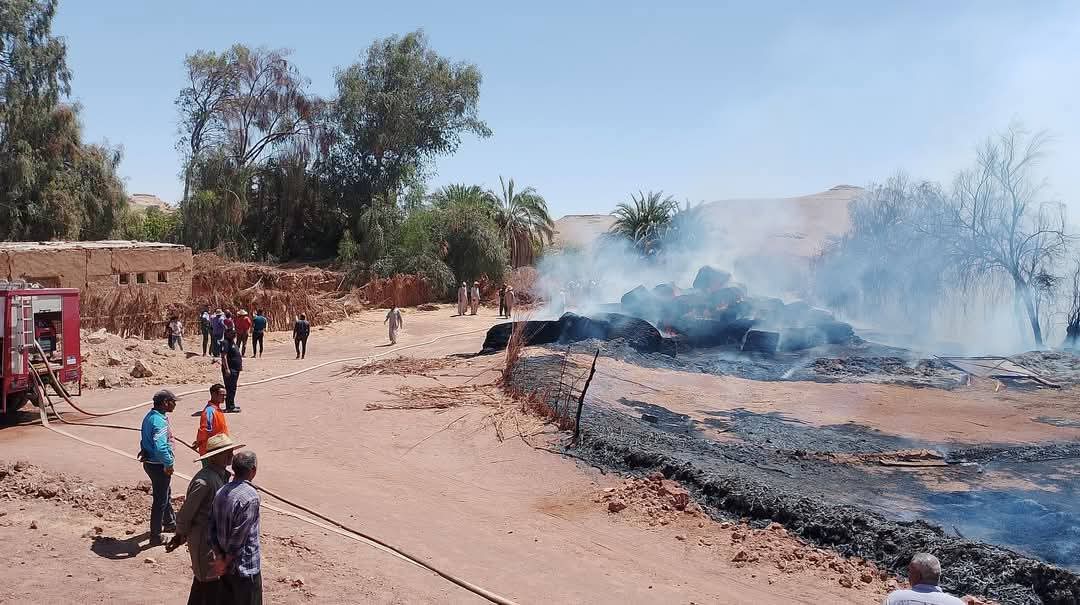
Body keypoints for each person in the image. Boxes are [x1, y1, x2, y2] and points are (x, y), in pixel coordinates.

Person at [167, 433, 244, 605]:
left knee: (205, 585)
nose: (231, 455)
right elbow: (186, 514)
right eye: (227, 452)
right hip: (204, 542)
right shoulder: (204, 481)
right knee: (208, 584)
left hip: (215, 541)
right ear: (215, 456)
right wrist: (180, 534)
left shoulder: (221, 476)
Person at [210, 450, 263, 604]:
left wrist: (220, 557)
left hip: (226, 569)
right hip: (245, 568)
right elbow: (239, 537)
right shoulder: (251, 497)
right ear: (253, 470)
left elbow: (211, 527)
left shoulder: (221, 491)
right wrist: (225, 561)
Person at [139, 389, 178, 545]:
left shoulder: (150, 417)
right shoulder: (159, 421)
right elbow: (161, 447)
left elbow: (145, 438)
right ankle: (155, 536)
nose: (174, 404)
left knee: (165, 492)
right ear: (165, 403)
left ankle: (169, 522)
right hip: (158, 465)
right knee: (160, 500)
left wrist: (144, 449)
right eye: (172, 402)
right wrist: (168, 464)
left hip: (150, 463)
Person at [884, 553, 966, 605]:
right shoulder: (956, 603)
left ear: (917, 576)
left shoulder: (896, 599)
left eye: (910, 571)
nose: (908, 575)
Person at [195, 383, 231, 454]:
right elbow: (204, 430)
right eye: (222, 395)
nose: (224, 397)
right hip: (211, 450)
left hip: (220, 446)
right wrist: (198, 443)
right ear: (214, 394)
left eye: (225, 395)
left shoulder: (217, 409)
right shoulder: (209, 411)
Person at [220, 330, 243, 413]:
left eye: (234, 333)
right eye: (231, 333)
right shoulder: (225, 343)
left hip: (235, 369)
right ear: (226, 334)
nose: (234, 334)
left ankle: (231, 404)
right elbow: (223, 356)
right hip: (230, 369)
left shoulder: (232, 342)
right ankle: (229, 406)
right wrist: (226, 369)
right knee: (230, 388)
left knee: (233, 388)